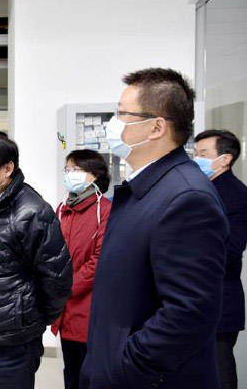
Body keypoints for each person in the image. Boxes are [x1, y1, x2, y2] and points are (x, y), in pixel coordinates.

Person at [79, 68, 229, 389]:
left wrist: (125, 366)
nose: (113, 124)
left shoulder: (186, 198)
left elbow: (190, 313)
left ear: (157, 127)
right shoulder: (146, 188)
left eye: (122, 114)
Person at [0, 130, 72, 389]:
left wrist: (28, 320)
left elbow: (57, 280)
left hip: (11, 341)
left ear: (7, 168)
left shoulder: (32, 213)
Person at [51, 150, 112, 389]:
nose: (69, 175)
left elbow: (100, 260)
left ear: (95, 175)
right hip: (64, 308)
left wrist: (67, 287)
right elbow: (51, 252)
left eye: (75, 170)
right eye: (67, 170)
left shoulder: (105, 210)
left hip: (89, 306)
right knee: (71, 371)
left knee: (90, 374)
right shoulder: (62, 209)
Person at [194, 129, 247, 389]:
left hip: (220, 300)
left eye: (203, 154)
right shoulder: (201, 189)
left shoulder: (236, 195)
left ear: (225, 159)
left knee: (219, 372)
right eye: (195, 153)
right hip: (194, 299)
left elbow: (232, 250)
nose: (196, 159)